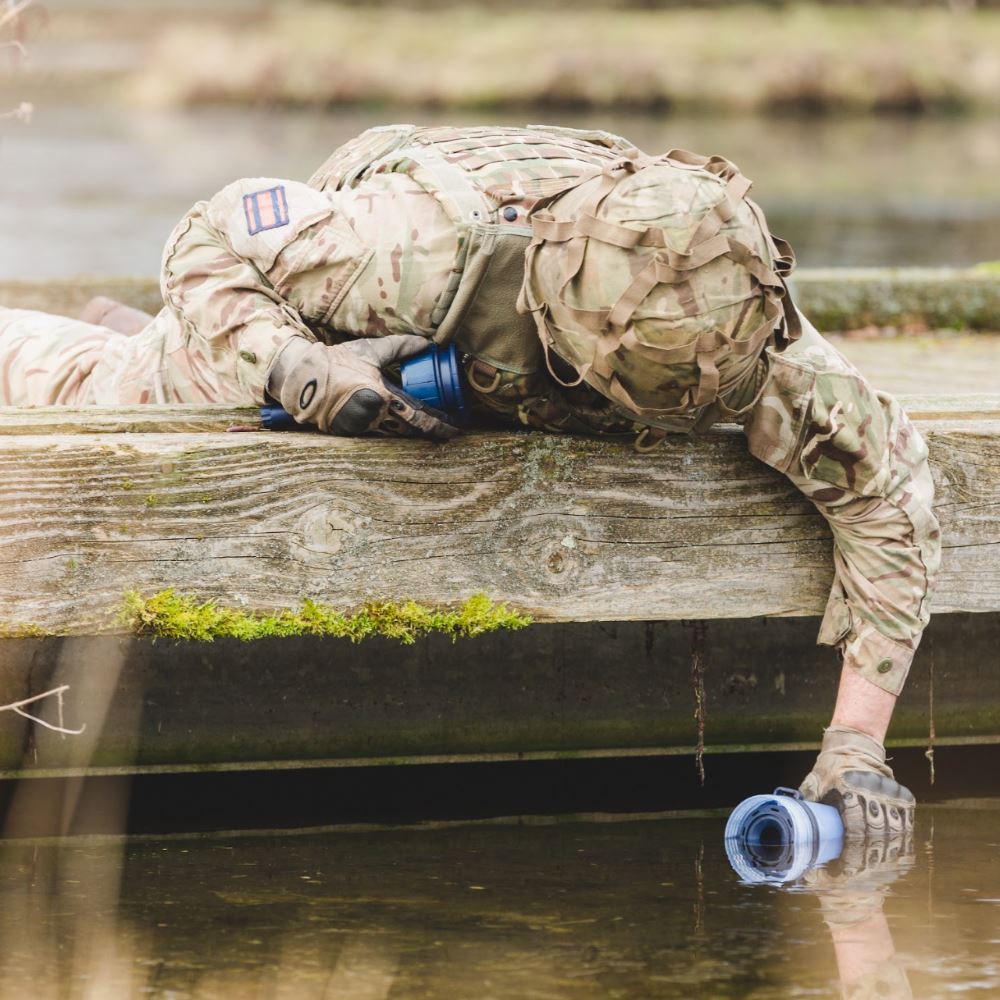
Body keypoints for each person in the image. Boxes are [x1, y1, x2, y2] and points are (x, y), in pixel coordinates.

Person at [0, 124, 939, 837]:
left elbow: (890, 497)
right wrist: (294, 366)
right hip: (350, 300)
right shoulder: (406, 251)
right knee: (129, 391)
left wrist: (856, 747)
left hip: (478, 320)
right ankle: (83, 341)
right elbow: (207, 238)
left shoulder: (735, 318)